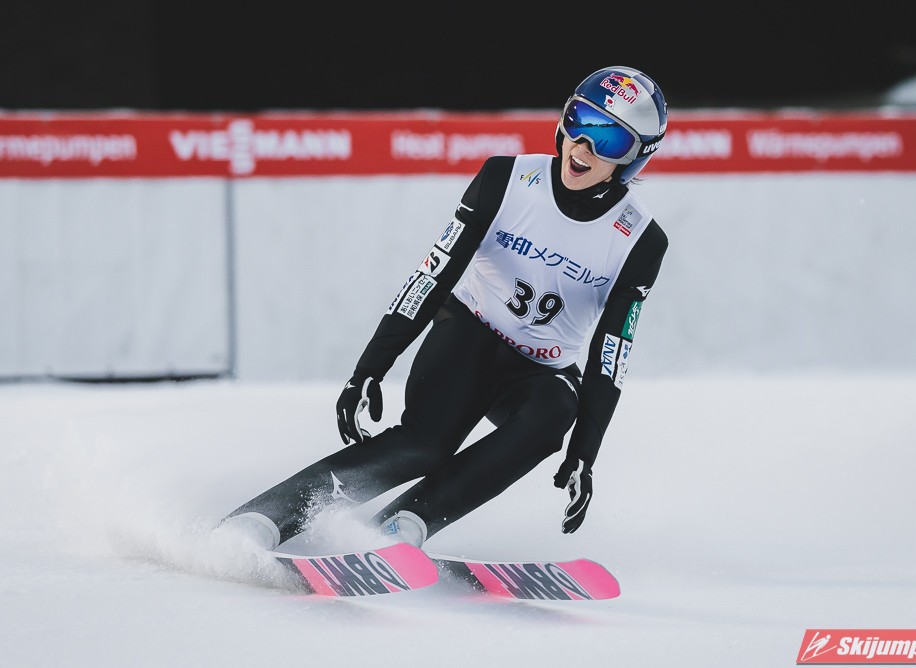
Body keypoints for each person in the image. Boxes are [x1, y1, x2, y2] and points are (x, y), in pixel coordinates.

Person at [217, 66, 670, 551]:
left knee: (557, 410)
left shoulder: (640, 240)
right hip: (467, 336)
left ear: (635, 158)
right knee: (424, 446)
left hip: (538, 372)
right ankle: (264, 518)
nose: (583, 146)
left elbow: (611, 352)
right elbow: (434, 274)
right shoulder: (506, 179)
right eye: (580, 120)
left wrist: (585, 452)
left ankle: (404, 525)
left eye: (609, 140)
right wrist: (370, 367)